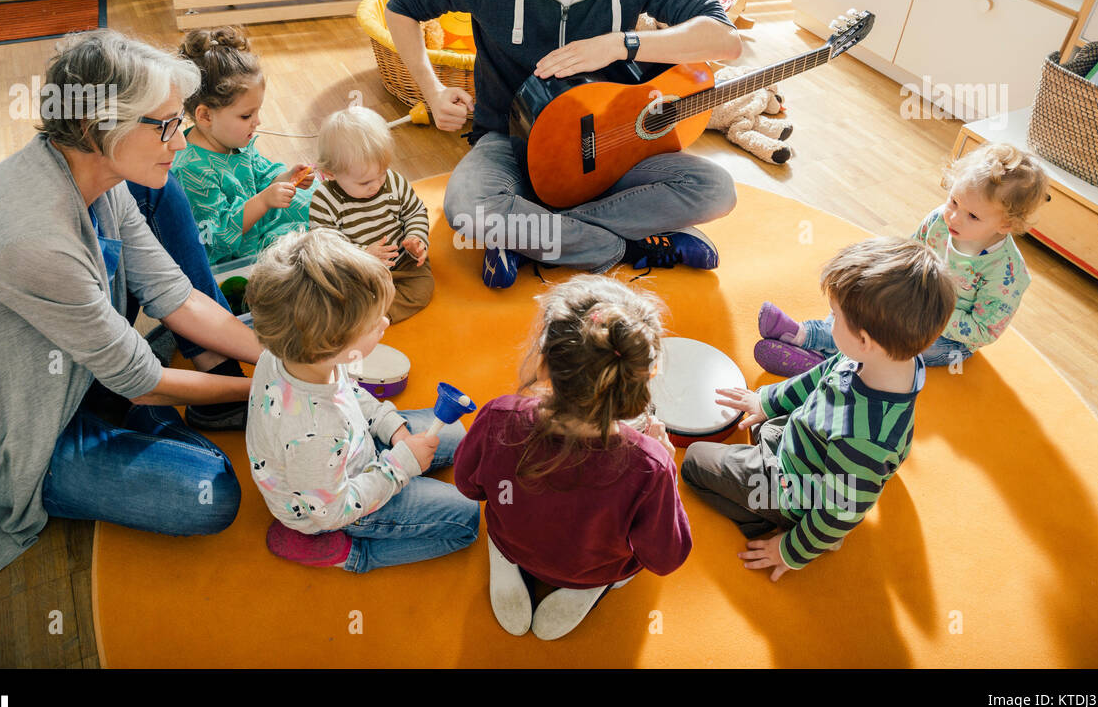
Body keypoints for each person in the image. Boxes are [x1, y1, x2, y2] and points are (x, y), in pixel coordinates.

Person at [0, 29, 261, 605]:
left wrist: (280, 360)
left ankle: (167, 408)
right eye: (167, 125)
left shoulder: (97, 175)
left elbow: (175, 294)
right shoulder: (36, 240)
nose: (181, 140)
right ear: (102, 126)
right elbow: (141, 382)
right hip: (17, 429)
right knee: (212, 490)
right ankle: (94, 448)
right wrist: (275, 384)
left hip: (70, 369)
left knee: (192, 409)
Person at [385, 0, 741, 288]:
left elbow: (725, 39)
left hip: (606, 151)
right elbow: (401, 7)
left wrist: (619, 45)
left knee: (715, 189)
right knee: (468, 208)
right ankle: (627, 244)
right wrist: (432, 91)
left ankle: (529, 236)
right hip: (510, 144)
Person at [681, 237, 957, 580]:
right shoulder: (887, 359)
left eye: (834, 316)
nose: (829, 320)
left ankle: (778, 522)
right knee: (765, 426)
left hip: (799, 492)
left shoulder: (863, 439)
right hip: (808, 443)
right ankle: (773, 467)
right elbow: (821, 376)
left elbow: (840, 510)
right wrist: (766, 401)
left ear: (865, 341)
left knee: (694, 462)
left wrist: (791, 550)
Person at [454, 276, 691, 639]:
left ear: (546, 364)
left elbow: (468, 487)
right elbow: (665, 557)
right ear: (635, 380)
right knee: (619, 566)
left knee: (502, 524)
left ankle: (506, 559)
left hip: (513, 537)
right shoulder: (650, 466)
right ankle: (587, 587)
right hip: (595, 567)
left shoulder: (498, 417)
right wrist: (667, 466)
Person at [244, 228, 479, 572]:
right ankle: (347, 553)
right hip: (332, 505)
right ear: (333, 346)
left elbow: (348, 393)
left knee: (457, 435)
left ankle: (393, 452)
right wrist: (401, 465)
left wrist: (393, 428)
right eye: (374, 324)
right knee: (466, 521)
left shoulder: (295, 355)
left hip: (346, 453)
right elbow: (332, 508)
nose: (385, 322)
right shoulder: (314, 431)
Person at [754, 143, 1048, 375]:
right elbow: (909, 256)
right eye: (954, 201)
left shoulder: (1007, 272)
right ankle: (815, 340)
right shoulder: (939, 220)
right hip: (913, 302)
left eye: (972, 215)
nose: (954, 216)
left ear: (1005, 225)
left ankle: (812, 350)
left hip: (948, 338)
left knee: (891, 345)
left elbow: (984, 330)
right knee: (860, 297)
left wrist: (924, 316)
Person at [170, 26, 315, 266]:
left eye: (257, 112)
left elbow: (261, 174)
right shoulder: (191, 170)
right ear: (205, 116)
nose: (257, 122)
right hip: (240, 254)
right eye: (246, 116)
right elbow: (213, 240)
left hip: (259, 227)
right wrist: (263, 201)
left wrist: (287, 178)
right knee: (303, 247)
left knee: (311, 195)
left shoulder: (234, 141)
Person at [308, 106, 433, 322]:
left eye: (381, 174)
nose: (375, 185)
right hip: (357, 274)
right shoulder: (325, 200)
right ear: (330, 174)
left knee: (423, 287)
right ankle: (366, 312)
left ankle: (372, 317)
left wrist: (416, 239)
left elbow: (415, 212)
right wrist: (363, 255)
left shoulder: (393, 181)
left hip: (401, 264)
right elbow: (325, 249)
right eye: (364, 182)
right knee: (327, 288)